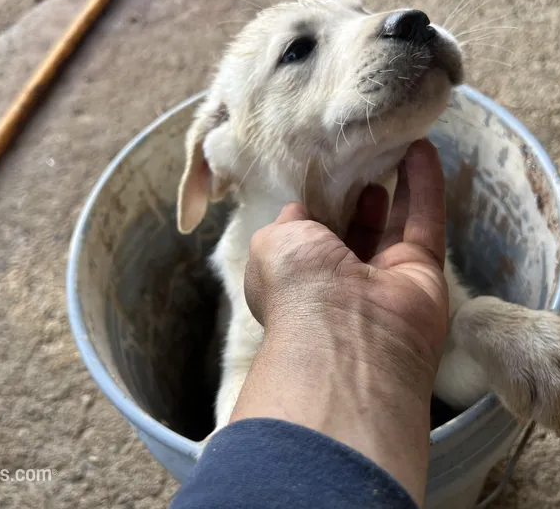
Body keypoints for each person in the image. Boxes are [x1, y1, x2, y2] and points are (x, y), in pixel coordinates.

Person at [171, 140, 449, 509]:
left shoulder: (404, 254)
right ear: (221, 147)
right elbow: (238, 366)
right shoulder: (242, 255)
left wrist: (235, 470)